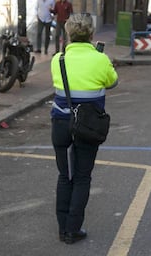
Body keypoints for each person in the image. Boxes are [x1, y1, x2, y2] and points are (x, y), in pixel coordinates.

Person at [50, 13, 118, 244]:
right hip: (87, 125)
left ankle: (62, 228)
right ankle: (72, 230)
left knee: (64, 176)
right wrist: (102, 60)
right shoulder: (100, 59)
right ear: (91, 34)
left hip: (60, 123)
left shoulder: (57, 59)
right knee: (81, 177)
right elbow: (112, 81)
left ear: (68, 33)